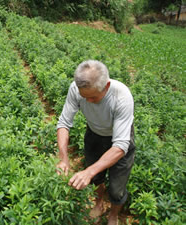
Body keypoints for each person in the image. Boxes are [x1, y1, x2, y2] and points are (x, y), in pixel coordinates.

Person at [56, 60, 135, 225]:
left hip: (119, 139)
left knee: (116, 188)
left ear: (106, 86)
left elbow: (120, 146)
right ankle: (99, 203)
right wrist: (63, 158)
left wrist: (88, 171)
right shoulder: (75, 89)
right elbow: (64, 123)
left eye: (93, 97)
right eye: (85, 97)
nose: (89, 102)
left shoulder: (122, 97)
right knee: (96, 178)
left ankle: (113, 215)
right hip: (94, 134)